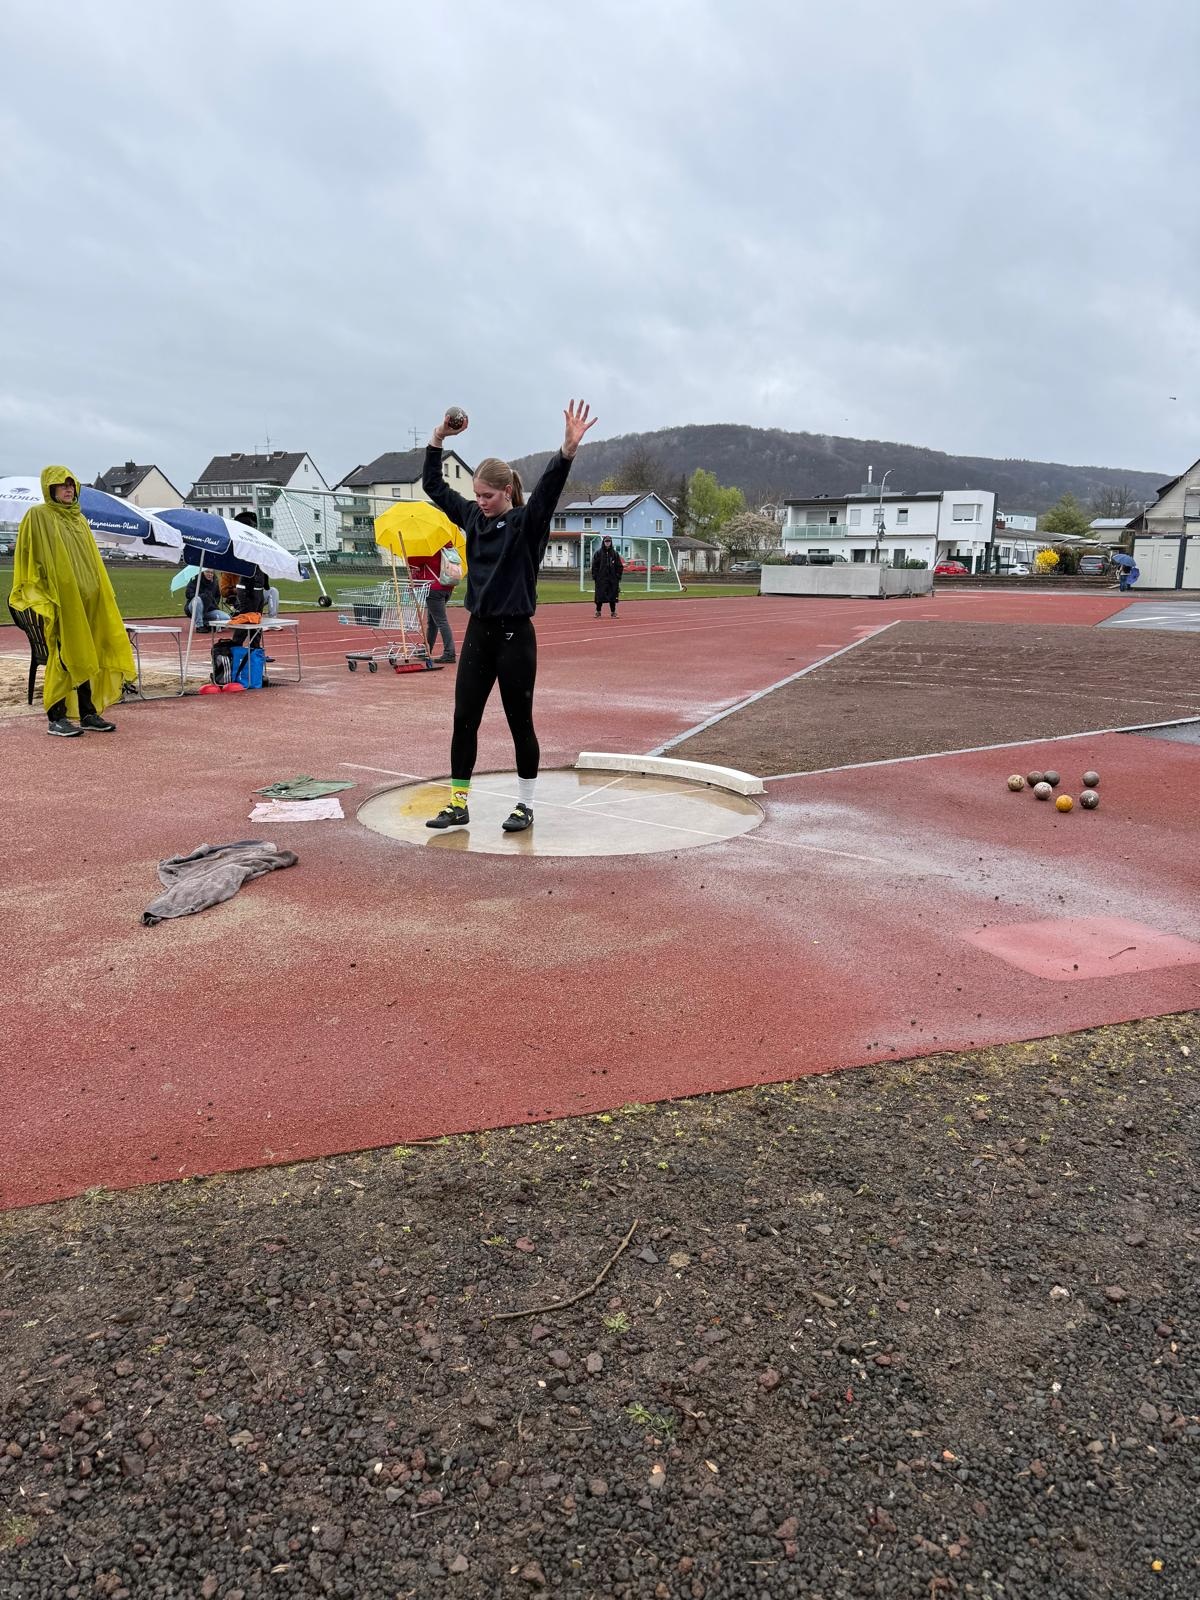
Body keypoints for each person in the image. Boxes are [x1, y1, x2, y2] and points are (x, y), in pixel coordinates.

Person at [422, 399, 597, 833]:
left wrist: (567, 452)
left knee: (520, 722)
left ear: (507, 492)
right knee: (464, 718)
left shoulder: (525, 524)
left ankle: (525, 805)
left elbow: (549, 491)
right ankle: (458, 803)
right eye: (477, 495)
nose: (480, 502)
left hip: (516, 636)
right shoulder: (472, 517)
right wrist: (438, 438)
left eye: (488, 495)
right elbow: (433, 485)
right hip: (480, 632)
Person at [9, 465, 135, 737]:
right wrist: (43, 594)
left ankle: (88, 713)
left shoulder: (79, 519)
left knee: (89, 652)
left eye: (71, 485)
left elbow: (92, 561)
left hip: (88, 602)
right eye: (62, 485)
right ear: (50, 488)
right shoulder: (39, 516)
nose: (68, 490)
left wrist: (99, 592)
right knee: (64, 655)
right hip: (61, 602)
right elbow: (29, 557)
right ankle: (56, 716)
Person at [406, 543, 459, 663]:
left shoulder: (429, 551)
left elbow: (411, 561)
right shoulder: (446, 549)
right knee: (433, 622)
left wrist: (410, 549)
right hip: (447, 587)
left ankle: (449, 652)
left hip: (433, 589)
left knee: (440, 621)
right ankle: (427, 650)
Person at [591, 534, 624, 618]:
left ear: (611, 542)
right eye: (606, 541)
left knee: (613, 595)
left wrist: (618, 576)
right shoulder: (598, 553)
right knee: (599, 595)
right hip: (601, 579)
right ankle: (598, 611)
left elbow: (619, 566)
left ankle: (613, 612)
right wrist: (595, 576)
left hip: (612, 579)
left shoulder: (615, 554)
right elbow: (594, 566)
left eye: (609, 541)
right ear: (603, 542)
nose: (607, 543)